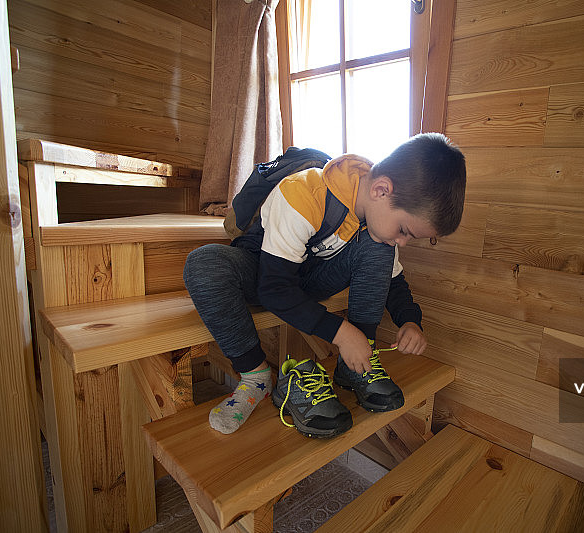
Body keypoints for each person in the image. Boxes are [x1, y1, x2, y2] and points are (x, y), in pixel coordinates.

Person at [183, 132, 466, 437]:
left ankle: (357, 362)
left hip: (311, 279)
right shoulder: (304, 193)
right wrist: (343, 334)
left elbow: (395, 281)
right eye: (404, 230)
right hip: (265, 274)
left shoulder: (376, 226)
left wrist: (410, 320)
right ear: (382, 190)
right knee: (204, 262)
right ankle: (256, 377)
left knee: (378, 245)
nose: (403, 242)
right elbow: (274, 289)